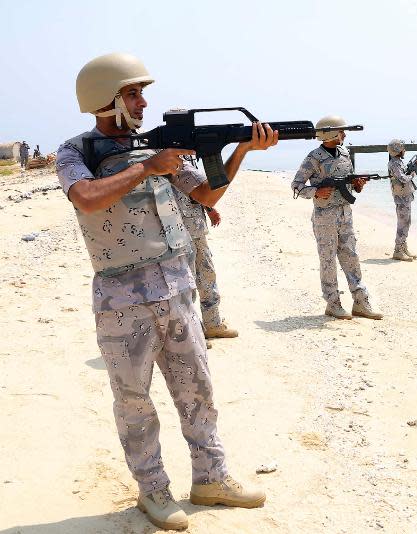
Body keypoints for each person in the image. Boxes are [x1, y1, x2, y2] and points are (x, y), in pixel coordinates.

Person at [55, 52, 277, 531]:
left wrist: (240, 152)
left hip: (177, 287)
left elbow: (206, 194)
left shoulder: (157, 147)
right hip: (121, 299)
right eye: (132, 93)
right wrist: (147, 167)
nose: (143, 101)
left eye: (140, 92)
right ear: (105, 98)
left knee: (197, 390)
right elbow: (88, 199)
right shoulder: (75, 152)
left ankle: (211, 479)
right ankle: (153, 491)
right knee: (135, 401)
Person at [291, 115, 383, 320]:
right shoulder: (313, 157)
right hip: (325, 217)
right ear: (331, 133)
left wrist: (357, 186)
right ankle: (332, 303)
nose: (344, 134)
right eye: (342, 131)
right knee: (328, 260)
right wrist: (315, 191)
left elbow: (348, 183)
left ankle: (361, 302)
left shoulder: (344, 153)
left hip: (345, 214)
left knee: (351, 257)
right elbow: (296, 185)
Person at [173, 185, 237, 341]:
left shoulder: (188, 159)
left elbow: (196, 187)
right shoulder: (165, 160)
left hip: (195, 225)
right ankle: (189, 334)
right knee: (186, 283)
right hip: (176, 229)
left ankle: (212, 324)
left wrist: (209, 208)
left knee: (207, 275)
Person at [387, 139, 417, 261]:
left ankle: (403, 247)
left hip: (404, 196)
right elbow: (402, 178)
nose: (404, 150)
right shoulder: (394, 163)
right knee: (402, 223)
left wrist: (413, 167)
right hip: (401, 198)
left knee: (407, 222)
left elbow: (402, 174)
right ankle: (398, 251)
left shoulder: (398, 162)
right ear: (398, 150)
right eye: (402, 148)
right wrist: (412, 175)